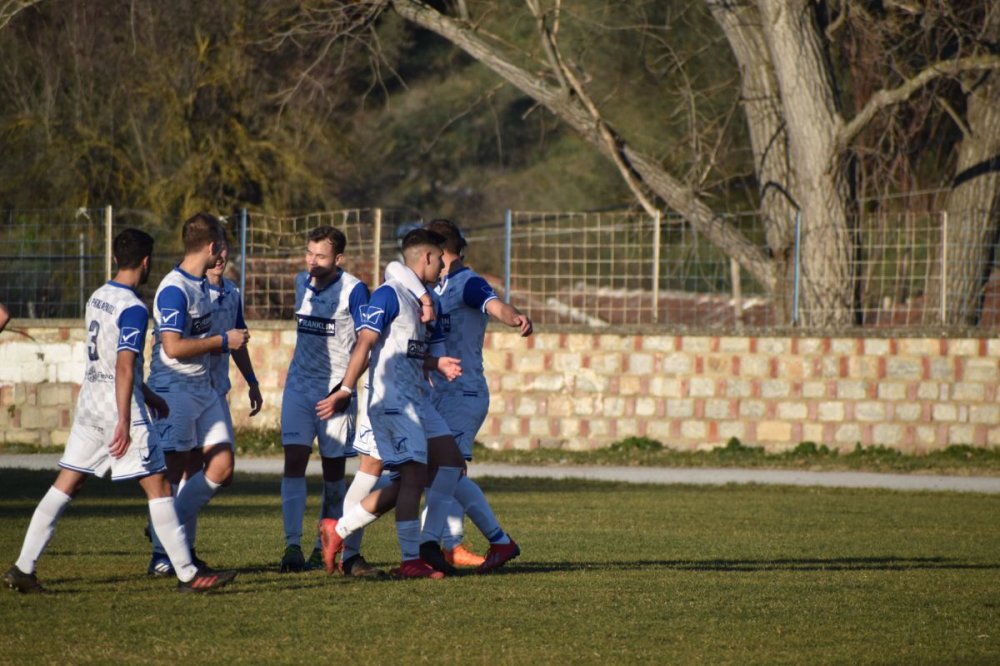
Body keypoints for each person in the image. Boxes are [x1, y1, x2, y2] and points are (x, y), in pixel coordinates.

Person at [3, 228, 236, 594]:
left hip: (90, 406)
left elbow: (109, 360)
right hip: (117, 408)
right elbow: (125, 365)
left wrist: (149, 393)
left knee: (67, 483)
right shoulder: (133, 308)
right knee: (160, 487)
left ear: (115, 258)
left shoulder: (98, 296)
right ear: (146, 263)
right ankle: (188, 575)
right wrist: (127, 419)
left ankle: (23, 567)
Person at [319, 228, 520, 578]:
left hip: (420, 400)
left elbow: (413, 353)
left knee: (450, 464)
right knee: (409, 477)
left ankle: (340, 530)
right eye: (439, 259)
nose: (444, 265)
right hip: (392, 401)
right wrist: (345, 389)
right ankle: (412, 558)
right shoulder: (388, 294)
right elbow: (366, 344)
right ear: (427, 257)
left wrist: (436, 362)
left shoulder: (425, 299)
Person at [424, 218, 532, 566]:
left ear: (439, 252)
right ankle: (459, 546)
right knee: (442, 472)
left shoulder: (467, 283)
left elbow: (494, 304)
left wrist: (514, 318)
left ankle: (432, 549)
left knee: (444, 471)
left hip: (464, 393)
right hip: (438, 392)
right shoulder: (434, 288)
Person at [145, 213, 249, 576]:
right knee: (172, 472)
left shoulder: (207, 286)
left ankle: (164, 526)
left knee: (222, 468)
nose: (223, 251)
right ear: (210, 246)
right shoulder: (175, 288)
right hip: (174, 389)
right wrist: (223, 341)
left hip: (205, 388)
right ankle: (163, 554)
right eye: (220, 244)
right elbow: (172, 348)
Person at [277, 225, 379, 577]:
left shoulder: (355, 291)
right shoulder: (299, 282)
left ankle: (324, 547)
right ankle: (292, 546)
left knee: (333, 473)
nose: (312, 262)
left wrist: (344, 391)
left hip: (335, 393)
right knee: (294, 463)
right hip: (299, 388)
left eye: (321, 256)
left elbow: (369, 345)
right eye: (309, 253)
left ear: (338, 258)